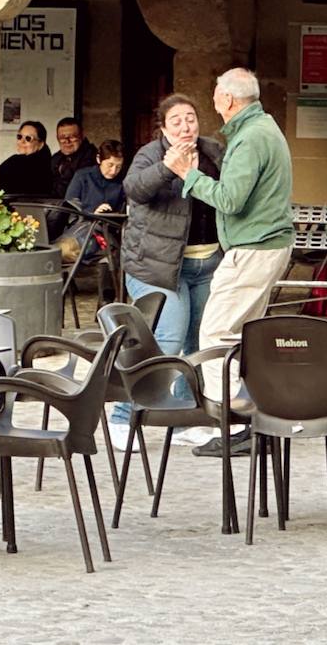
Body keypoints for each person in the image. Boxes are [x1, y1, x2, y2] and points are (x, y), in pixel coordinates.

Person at [163, 68, 294, 458]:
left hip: (253, 247)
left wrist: (188, 173)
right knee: (244, 336)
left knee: (216, 337)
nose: (214, 99)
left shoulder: (251, 138)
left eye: (217, 93)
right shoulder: (262, 129)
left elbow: (231, 199)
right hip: (266, 245)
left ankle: (238, 420)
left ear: (228, 101)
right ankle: (255, 421)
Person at [113, 94, 226, 449]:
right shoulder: (150, 154)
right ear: (162, 127)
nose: (185, 126)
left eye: (190, 118)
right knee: (168, 339)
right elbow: (134, 189)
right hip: (157, 266)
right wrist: (169, 168)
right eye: (176, 120)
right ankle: (122, 414)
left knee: (198, 341)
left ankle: (182, 418)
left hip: (206, 262)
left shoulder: (212, 152)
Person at [57, 139, 126, 256]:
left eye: (118, 167)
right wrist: (92, 213)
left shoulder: (123, 181)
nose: (114, 171)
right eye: (110, 165)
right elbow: (68, 208)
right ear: (99, 159)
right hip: (80, 229)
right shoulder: (82, 176)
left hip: (109, 233)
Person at [0, 121, 54, 197]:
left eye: (28, 138)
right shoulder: (48, 160)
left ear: (40, 144)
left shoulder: (16, 162)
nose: (22, 142)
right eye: (19, 137)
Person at [51, 117, 98, 197]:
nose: (67, 141)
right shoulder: (55, 158)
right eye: (62, 137)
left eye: (72, 137)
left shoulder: (92, 157)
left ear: (82, 136)